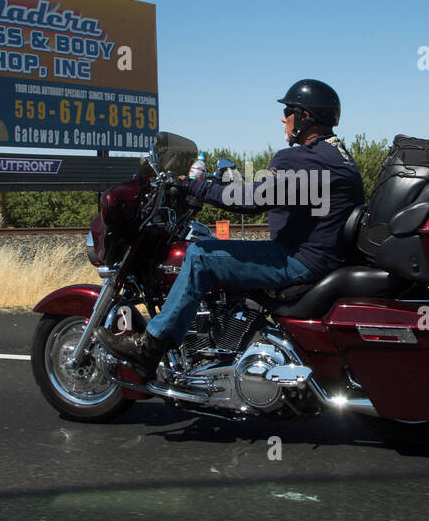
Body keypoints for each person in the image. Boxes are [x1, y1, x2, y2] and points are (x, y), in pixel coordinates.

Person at [96, 79, 365, 377]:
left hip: (300, 260)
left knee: (200, 254)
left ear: (304, 117)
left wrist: (191, 186)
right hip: (323, 256)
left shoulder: (304, 157)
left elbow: (251, 200)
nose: (282, 118)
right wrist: (220, 185)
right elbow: (270, 190)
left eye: (288, 111)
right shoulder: (334, 154)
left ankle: (150, 347)